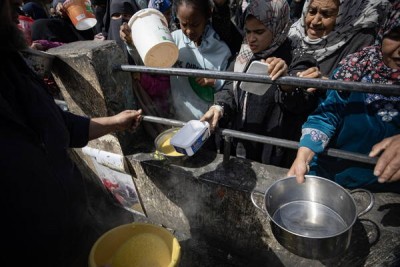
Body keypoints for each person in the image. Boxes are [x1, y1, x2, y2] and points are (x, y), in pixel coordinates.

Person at [0, 0, 143, 265]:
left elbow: (57, 124)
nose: (17, 7)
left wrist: (115, 122)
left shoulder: (13, 63)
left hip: (76, 225)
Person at [287, 0, 400, 193]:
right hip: (332, 178)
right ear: (383, 32)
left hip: (388, 195)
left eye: (326, 14)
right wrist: (304, 154)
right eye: (396, 36)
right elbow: (327, 115)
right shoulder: (356, 66)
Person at [200, 0, 320, 166]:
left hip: (272, 150)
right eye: (248, 31)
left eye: (259, 32)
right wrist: (219, 107)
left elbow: (301, 104)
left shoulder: (297, 58)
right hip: (239, 141)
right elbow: (230, 85)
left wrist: (286, 82)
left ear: (278, 27)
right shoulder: (245, 54)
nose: (251, 39)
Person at [289, 0, 390, 81]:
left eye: (326, 14)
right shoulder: (292, 34)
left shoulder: (361, 41)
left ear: (345, 15)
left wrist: (325, 84)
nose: (315, 21)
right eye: (312, 11)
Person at [170, 0, 231, 122]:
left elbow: (230, 86)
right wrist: (131, 44)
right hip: (178, 117)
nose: (189, 31)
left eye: (195, 24)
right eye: (184, 24)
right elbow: (151, 58)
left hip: (207, 121)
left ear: (207, 16)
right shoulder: (174, 40)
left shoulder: (221, 48)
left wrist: (215, 81)